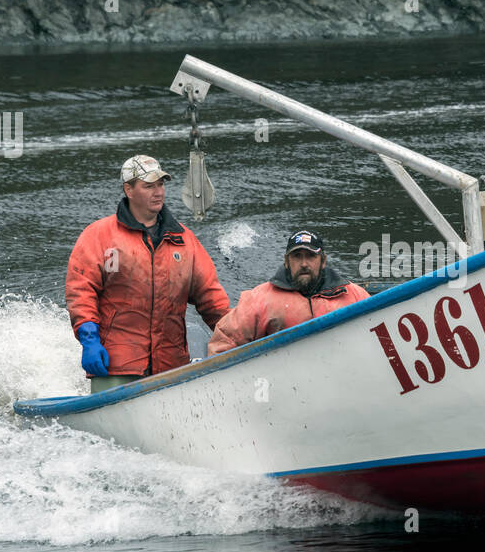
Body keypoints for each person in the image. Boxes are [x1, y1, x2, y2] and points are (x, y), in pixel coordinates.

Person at [66, 155, 230, 391]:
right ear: (129, 190)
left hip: (172, 367)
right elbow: (81, 292)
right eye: (149, 186)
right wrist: (89, 340)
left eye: (161, 184)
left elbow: (211, 298)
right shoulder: (98, 236)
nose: (158, 192)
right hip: (116, 366)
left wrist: (235, 336)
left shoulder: (184, 240)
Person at [207, 230, 369, 354]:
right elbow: (224, 343)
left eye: (311, 256)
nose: (304, 263)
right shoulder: (260, 300)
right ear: (286, 262)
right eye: (297, 256)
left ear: (323, 261)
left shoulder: (354, 296)